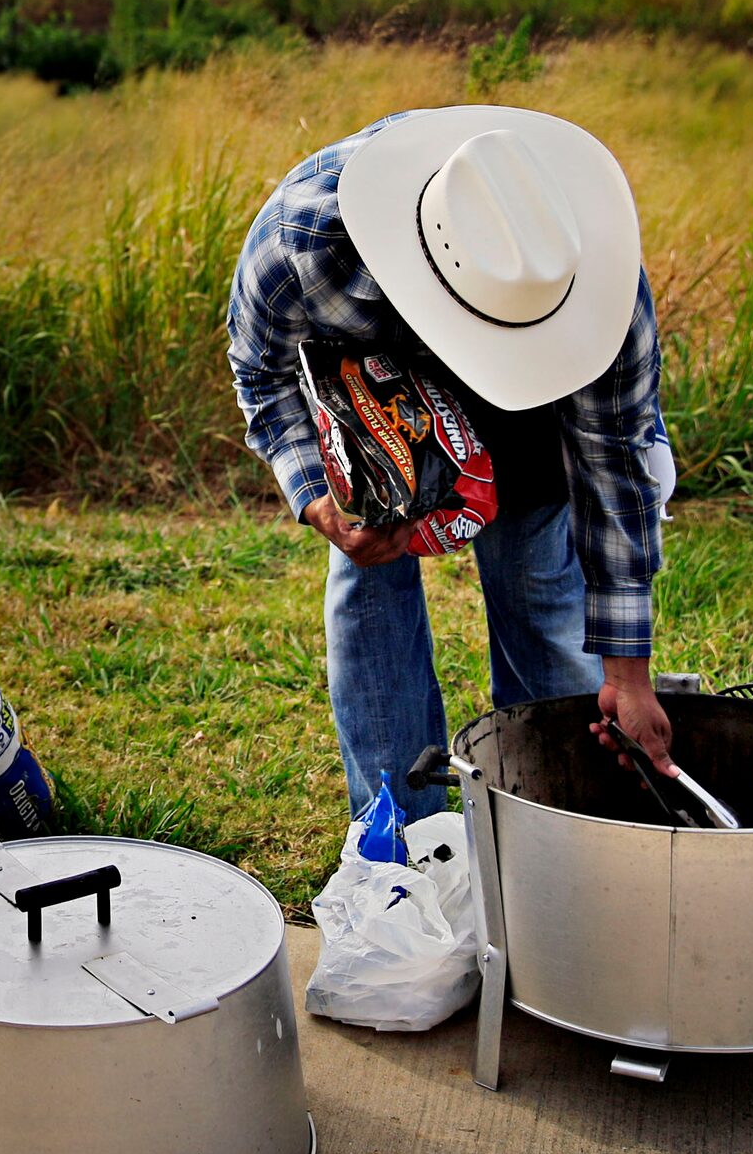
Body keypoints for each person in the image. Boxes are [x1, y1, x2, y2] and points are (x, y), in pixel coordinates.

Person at [227, 106, 673, 822]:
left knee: (537, 579)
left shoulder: (595, 296)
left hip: (533, 396)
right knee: (368, 578)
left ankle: (554, 817)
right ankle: (399, 836)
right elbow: (261, 377)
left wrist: (627, 676)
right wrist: (320, 503)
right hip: (368, 385)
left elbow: (614, 473)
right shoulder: (303, 248)